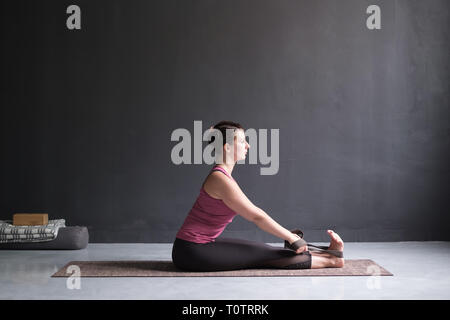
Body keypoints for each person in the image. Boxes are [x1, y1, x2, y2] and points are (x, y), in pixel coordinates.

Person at [172, 120, 344, 271]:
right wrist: (290, 237)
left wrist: (290, 238)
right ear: (227, 147)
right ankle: (334, 260)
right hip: (192, 251)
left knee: (267, 250)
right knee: (266, 256)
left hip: (199, 245)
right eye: (242, 141)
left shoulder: (222, 176)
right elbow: (256, 216)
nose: (248, 145)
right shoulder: (220, 179)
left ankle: (329, 254)